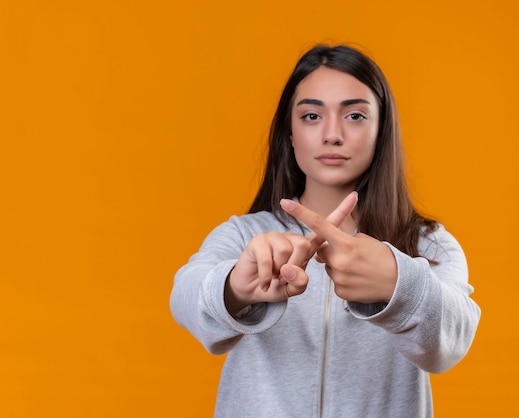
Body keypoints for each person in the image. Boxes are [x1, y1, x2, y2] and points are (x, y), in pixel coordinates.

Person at [170, 44, 480, 417]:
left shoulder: (427, 244)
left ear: (381, 130)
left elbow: (450, 345)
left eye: (354, 115)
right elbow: (185, 296)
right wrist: (237, 285)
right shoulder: (245, 235)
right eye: (312, 115)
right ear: (290, 133)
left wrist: (399, 283)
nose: (332, 134)